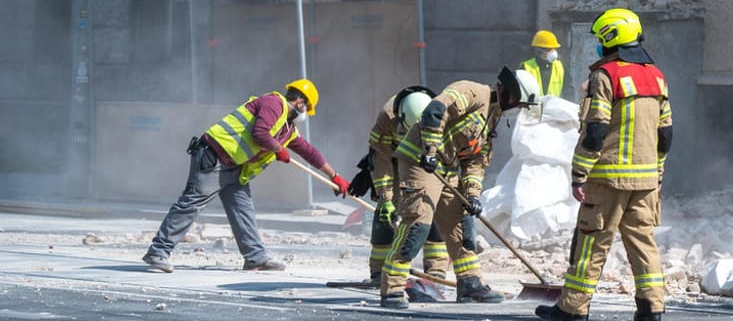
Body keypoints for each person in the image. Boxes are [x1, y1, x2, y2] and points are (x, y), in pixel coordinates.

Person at [535, 7, 672, 321]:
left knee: (591, 246)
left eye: (600, 37)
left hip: (608, 180)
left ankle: (572, 309)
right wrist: (658, 172)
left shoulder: (606, 74)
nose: (598, 43)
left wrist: (579, 174)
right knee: (643, 246)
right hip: (647, 182)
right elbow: (666, 133)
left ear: (611, 37)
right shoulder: (656, 75)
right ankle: (652, 310)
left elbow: (596, 129)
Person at [142, 78, 349, 273]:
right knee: (191, 204)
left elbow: (310, 153)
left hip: (235, 168)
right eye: (307, 108)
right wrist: (278, 149)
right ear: (300, 102)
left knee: (243, 210)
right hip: (214, 156)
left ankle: (255, 257)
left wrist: (334, 176)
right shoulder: (273, 103)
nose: (306, 113)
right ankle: (158, 252)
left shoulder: (288, 129)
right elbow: (260, 133)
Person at [378, 67, 542, 309]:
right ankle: (391, 289)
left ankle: (470, 284)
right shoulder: (472, 92)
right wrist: (430, 151)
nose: (517, 110)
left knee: (462, 225)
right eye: (518, 104)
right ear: (508, 92)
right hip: (420, 163)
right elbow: (435, 111)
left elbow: (476, 161)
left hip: (445, 170)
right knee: (418, 225)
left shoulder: (491, 118)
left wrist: (472, 195)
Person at [346, 85, 449, 286]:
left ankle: (435, 272)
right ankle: (379, 273)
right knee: (385, 215)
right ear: (401, 118)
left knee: (430, 207)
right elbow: (380, 157)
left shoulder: (440, 112)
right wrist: (385, 197)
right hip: (393, 160)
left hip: (425, 158)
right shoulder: (387, 117)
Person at [522, 29, 567, 98]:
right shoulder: (526, 67)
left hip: (554, 108)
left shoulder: (560, 67)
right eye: (549, 49)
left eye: (554, 49)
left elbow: (568, 92)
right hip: (533, 108)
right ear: (539, 50)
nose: (553, 52)